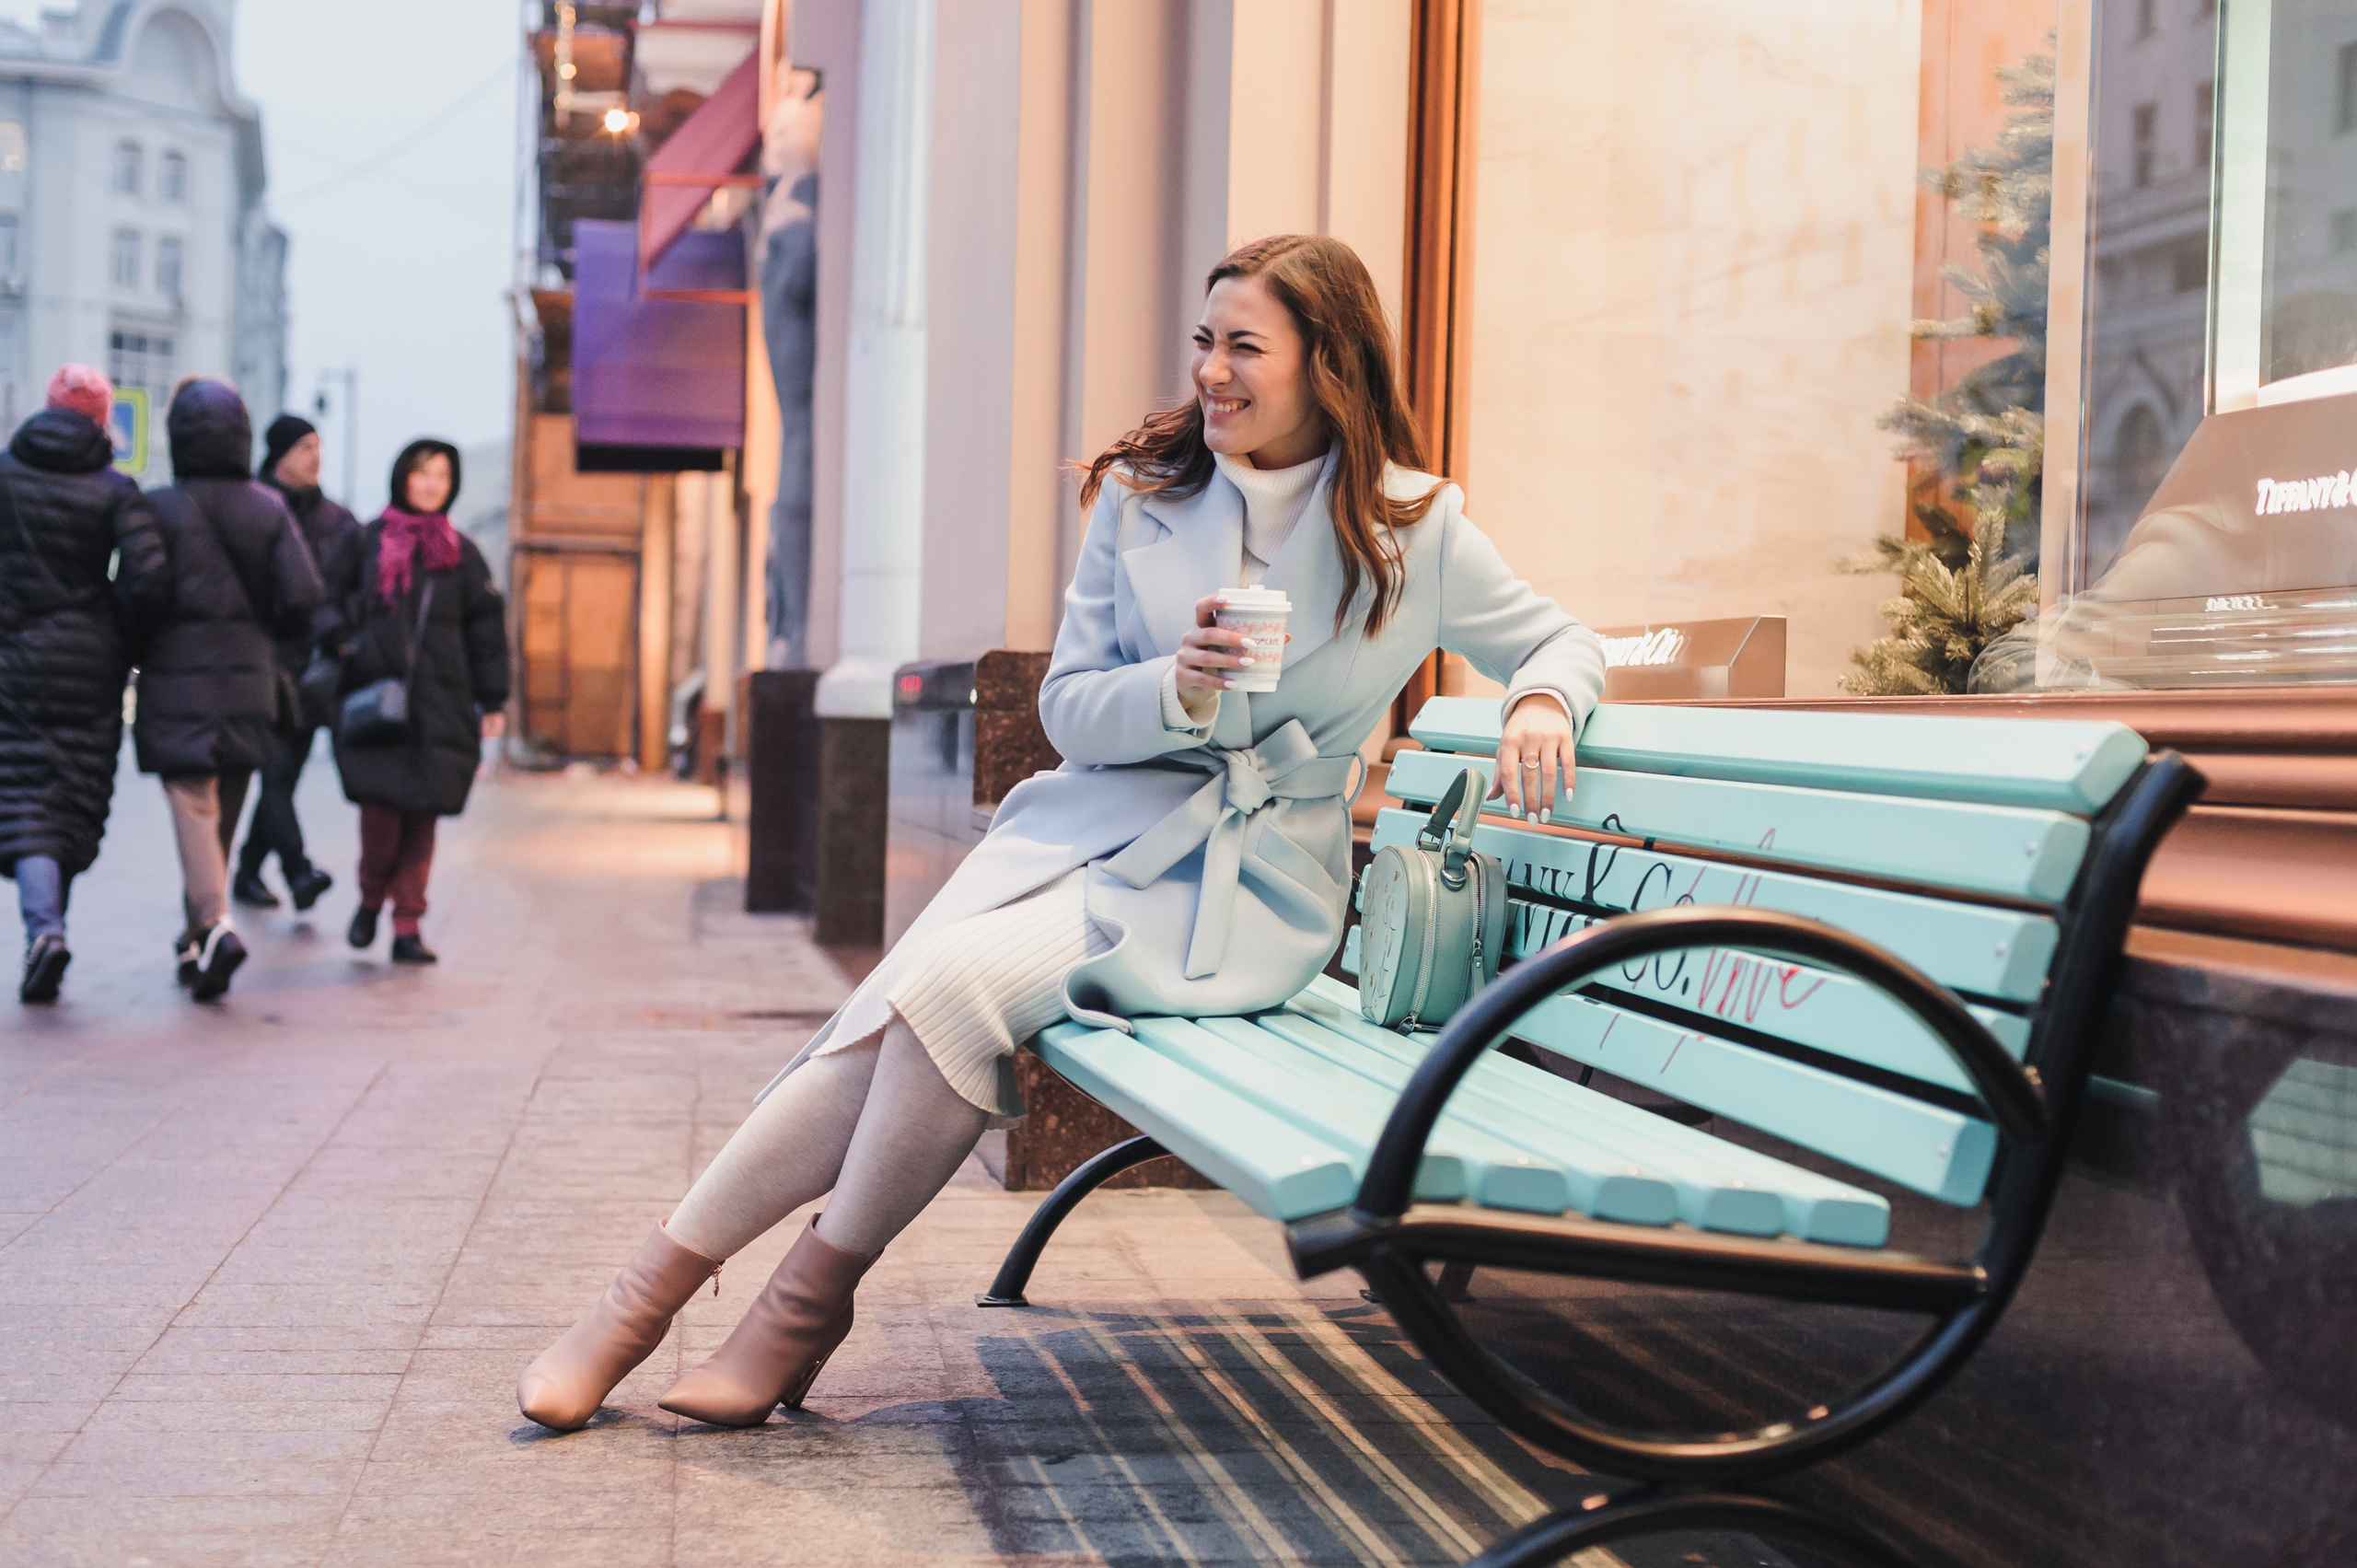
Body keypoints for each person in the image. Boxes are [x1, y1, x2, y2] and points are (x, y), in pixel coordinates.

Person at [517, 234, 1608, 1434]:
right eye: (1206, 340)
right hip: (1087, 833)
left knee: (946, 983)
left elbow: (1562, 638)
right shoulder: (1146, 499)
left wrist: (1544, 697)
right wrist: (1175, 687)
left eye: (1247, 346)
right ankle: (654, 1298)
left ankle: (775, 1301)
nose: (1214, 371)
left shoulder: (1419, 528)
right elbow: (1066, 708)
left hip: (1245, 895)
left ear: (1329, 362)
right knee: (902, 1003)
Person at [135, 379, 324, 1000]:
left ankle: (215, 924)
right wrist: (269, 634)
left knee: (193, 801)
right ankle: (199, 935)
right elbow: (304, 595)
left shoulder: (158, 507)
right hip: (250, 678)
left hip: (177, 677)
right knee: (229, 802)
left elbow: (138, 591)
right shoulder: (267, 507)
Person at [0, 366, 169, 1003]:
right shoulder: (115, 487)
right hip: (92, 659)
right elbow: (150, 573)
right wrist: (118, 627)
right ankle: (50, 928)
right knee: (71, 789)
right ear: (104, 420)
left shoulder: (5, 473)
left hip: (14, 654)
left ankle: (45, 930)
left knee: (22, 790)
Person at [316, 439, 508, 966]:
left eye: (442, 476)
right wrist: (346, 644)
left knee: (423, 819)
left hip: (442, 703)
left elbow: (486, 632)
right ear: (403, 476)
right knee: (381, 817)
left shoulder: (461, 553)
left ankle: (407, 925)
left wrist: (492, 699)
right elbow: (323, 600)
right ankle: (370, 896)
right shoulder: (365, 542)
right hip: (376, 699)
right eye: (422, 473)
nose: (431, 485)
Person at [232, 414, 360, 912]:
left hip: (315, 669)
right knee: (277, 771)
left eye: (319, 445)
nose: (317, 455)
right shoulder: (253, 507)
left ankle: (246, 869)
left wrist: (343, 639)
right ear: (280, 453)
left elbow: (350, 590)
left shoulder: (338, 520)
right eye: (306, 446)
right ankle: (297, 869)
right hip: (262, 661)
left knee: (286, 774)